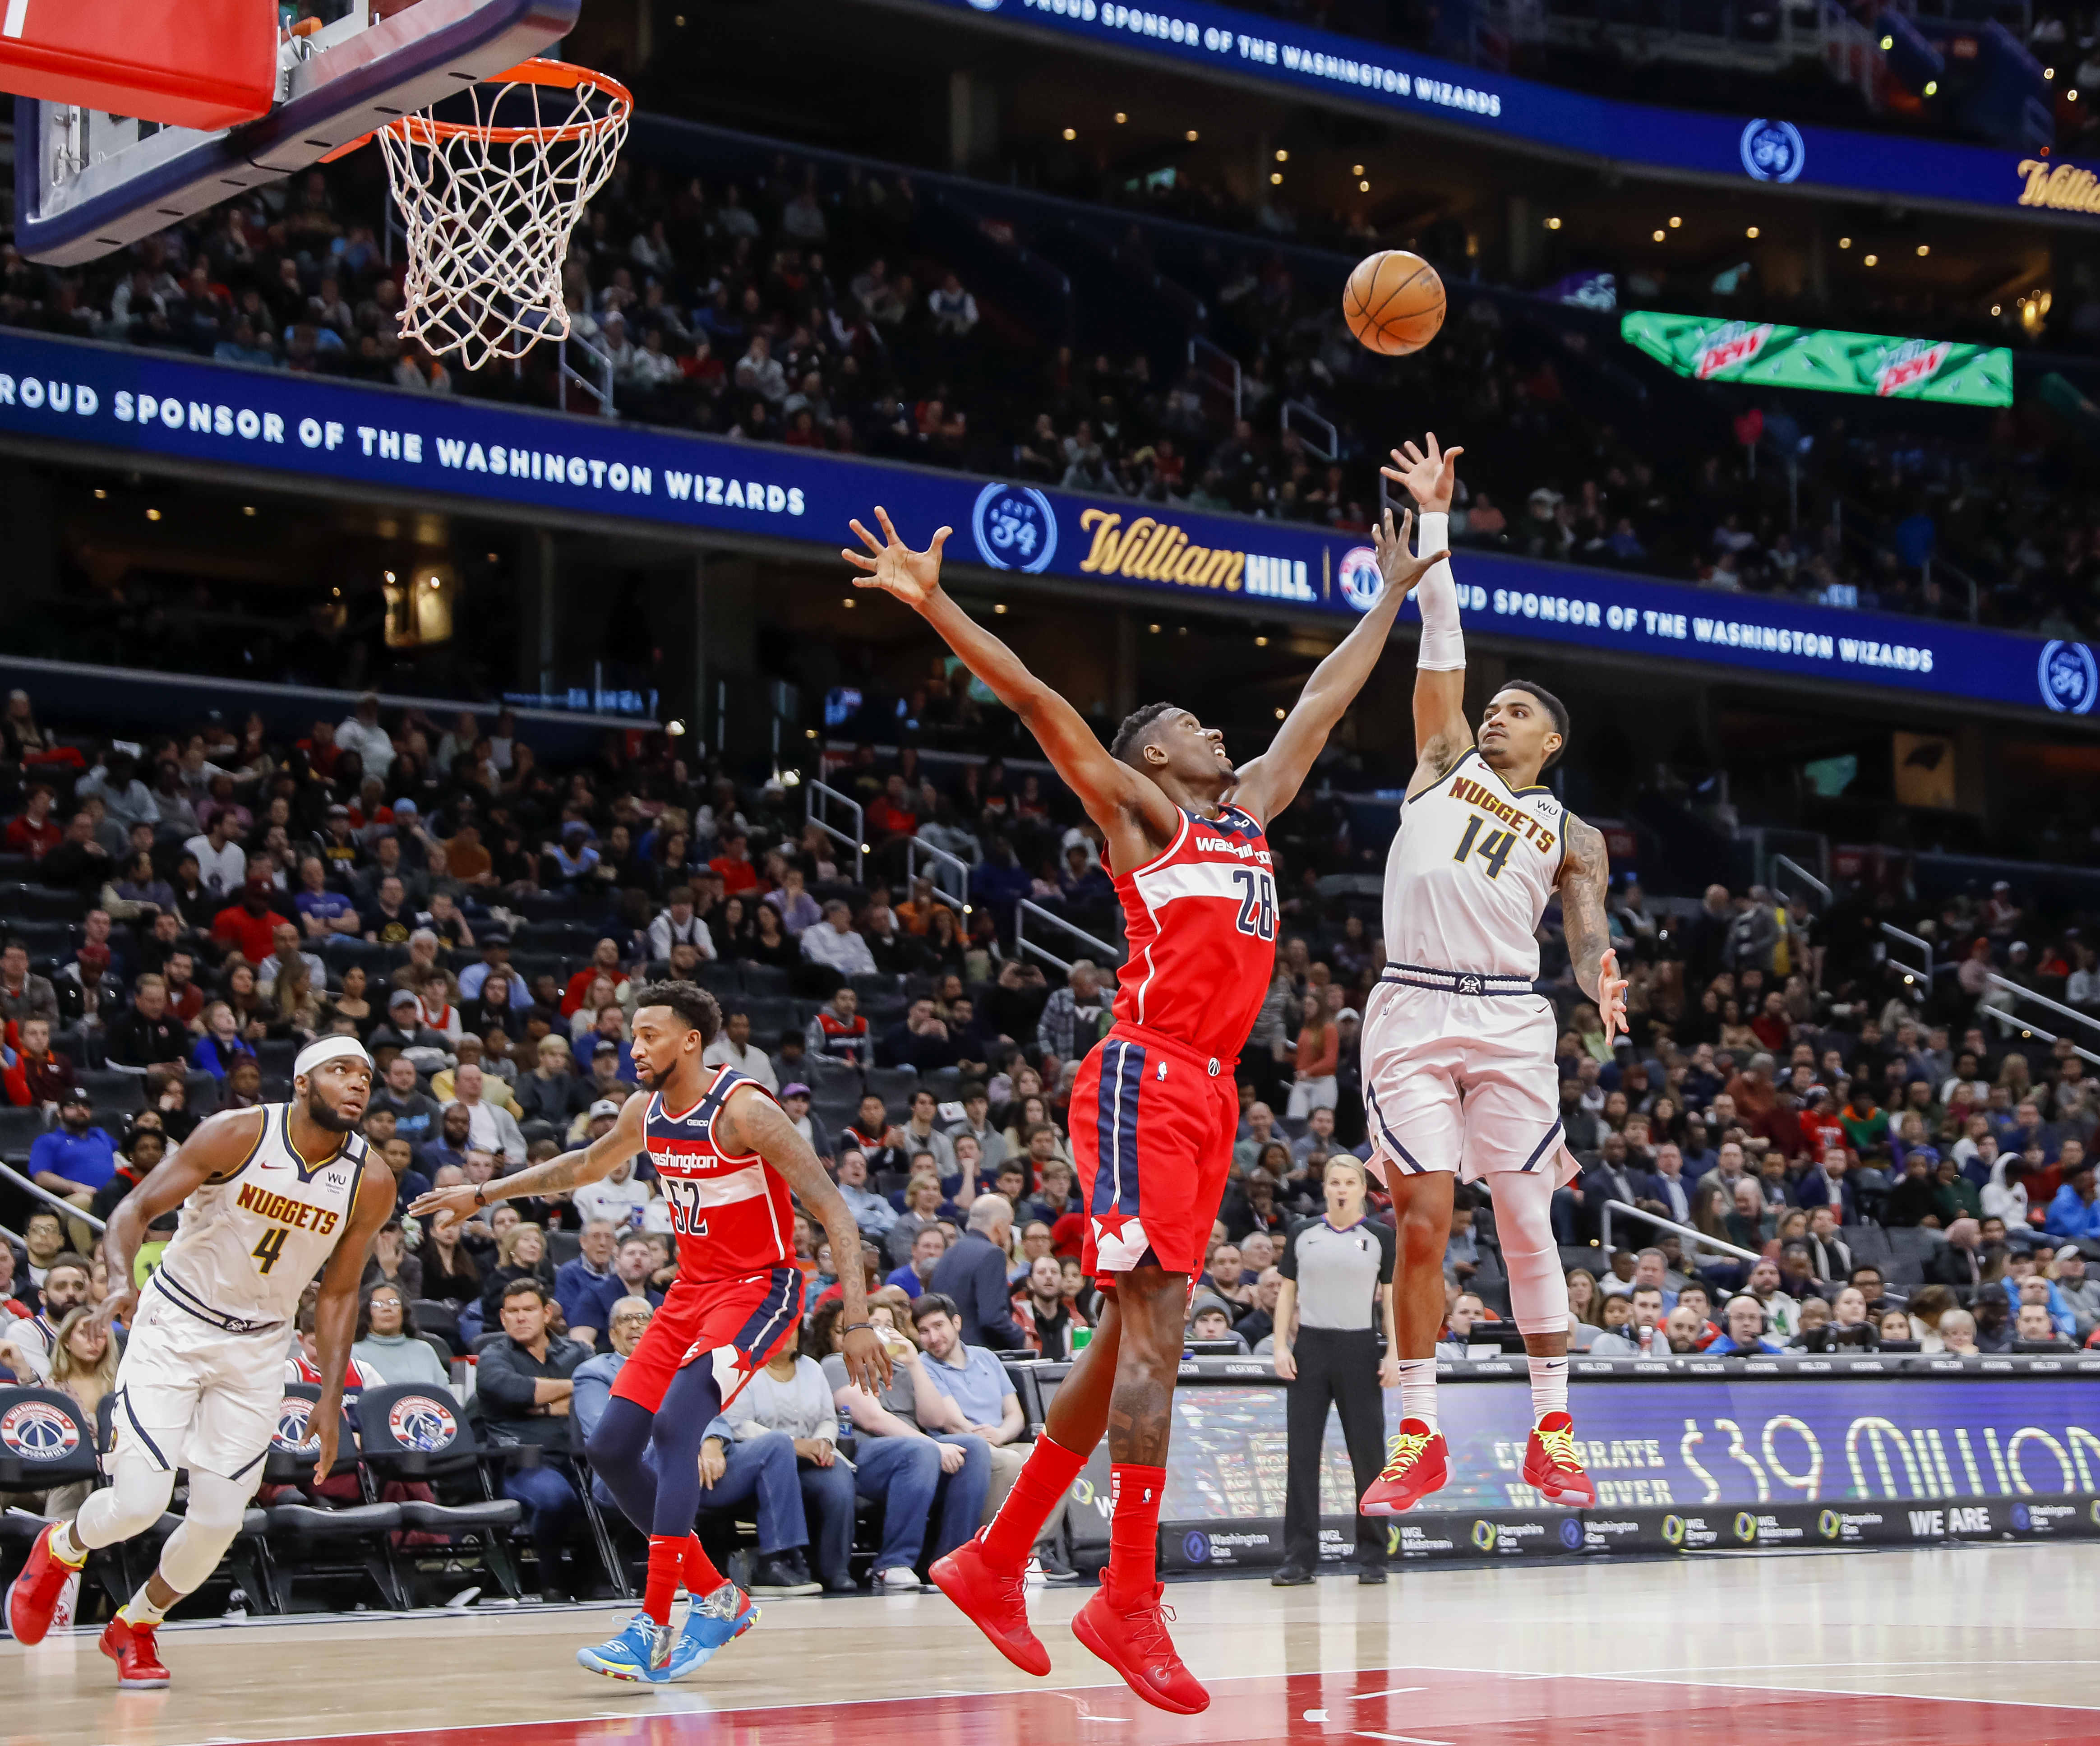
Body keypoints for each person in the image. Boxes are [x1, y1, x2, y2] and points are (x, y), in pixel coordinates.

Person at [847, 490, 1441, 1714]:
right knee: (1158, 1328)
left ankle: (995, 1556)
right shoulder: (1141, 814)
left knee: (1130, 1334)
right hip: (1139, 1078)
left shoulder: (1248, 811)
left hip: (1208, 1095)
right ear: (1152, 754)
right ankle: (1124, 1593)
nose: (1215, 726)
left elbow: (1322, 701)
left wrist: (1390, 590)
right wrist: (937, 600)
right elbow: (1036, 701)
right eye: (1186, 720)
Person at [411, 980, 886, 1684]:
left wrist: (855, 1320)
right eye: (631, 1035)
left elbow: (834, 1213)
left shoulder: (746, 1110)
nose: (633, 1048)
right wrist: (481, 1192)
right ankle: (716, 1595)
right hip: (689, 1292)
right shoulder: (645, 1108)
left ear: (690, 1040)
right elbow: (582, 1166)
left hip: (759, 1290)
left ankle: (654, 1627)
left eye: (648, 1034)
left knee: (675, 1428)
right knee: (608, 1444)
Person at [1353, 436, 1626, 1521]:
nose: (1498, 713)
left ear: (1553, 741)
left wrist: (1602, 975)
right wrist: (1435, 526)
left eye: (1520, 709)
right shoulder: (1440, 761)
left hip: (1513, 1014)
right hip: (1415, 1001)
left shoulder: (1574, 828)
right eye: (1495, 704)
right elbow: (1443, 631)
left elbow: (1587, 916)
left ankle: (1552, 1430)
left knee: (1525, 1217)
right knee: (1423, 1213)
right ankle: (1418, 1429)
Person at [5, 1039, 390, 1689]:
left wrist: (328, 1392)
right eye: (340, 1070)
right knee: (138, 1501)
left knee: (216, 1522)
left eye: (365, 1076)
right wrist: (122, 1278)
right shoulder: (237, 1132)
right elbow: (133, 1208)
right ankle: (60, 1546)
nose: (357, 1084)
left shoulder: (370, 1177)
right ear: (301, 1082)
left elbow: (340, 1289)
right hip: (176, 1324)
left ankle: (136, 1624)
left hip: (261, 1345)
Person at [1271, 1157, 1399, 1585]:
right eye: (1334, 1182)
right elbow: (1286, 1293)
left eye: (1350, 1182)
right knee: (1302, 1456)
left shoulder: (1380, 1236)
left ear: (1363, 1189)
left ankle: (1373, 1557)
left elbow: (1392, 1301)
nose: (1342, 1189)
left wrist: (1394, 1352)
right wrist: (1279, 1346)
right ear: (1324, 1188)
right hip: (1310, 1346)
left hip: (1359, 1347)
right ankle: (1299, 1559)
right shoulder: (1302, 1233)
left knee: (1368, 1456)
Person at [912, 1292, 1069, 1575]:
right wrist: (983, 1438)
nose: (933, 1338)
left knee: (1058, 1462)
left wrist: (999, 1434)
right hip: (959, 1444)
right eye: (924, 1331)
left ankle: (1028, 1550)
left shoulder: (985, 1357)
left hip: (998, 1439)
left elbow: (1015, 1415)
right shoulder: (925, 1366)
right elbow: (951, 1421)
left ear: (956, 1323)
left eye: (938, 1326)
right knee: (1008, 1462)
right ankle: (995, 1550)